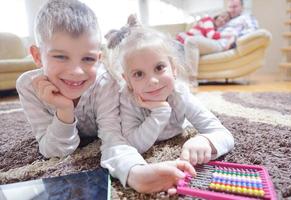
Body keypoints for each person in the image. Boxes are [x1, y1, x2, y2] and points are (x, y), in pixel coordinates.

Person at [16, 0, 196, 194]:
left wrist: (135, 172)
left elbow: (113, 138)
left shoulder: (104, 83)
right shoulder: (29, 86)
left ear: (99, 58)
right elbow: (53, 152)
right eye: (60, 57)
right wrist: (64, 111)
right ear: (37, 55)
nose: (76, 71)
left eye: (88, 59)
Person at [105, 15, 234, 170]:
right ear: (127, 81)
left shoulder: (179, 93)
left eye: (159, 68)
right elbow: (133, 145)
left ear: (173, 68)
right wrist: (160, 111)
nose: (152, 81)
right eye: (139, 74)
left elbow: (224, 134)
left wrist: (205, 141)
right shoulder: (128, 100)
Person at [184, 0, 258, 79]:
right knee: (181, 45)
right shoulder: (227, 18)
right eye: (230, 7)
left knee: (191, 41)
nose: (232, 9)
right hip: (212, 41)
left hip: (221, 44)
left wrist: (234, 37)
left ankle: (191, 80)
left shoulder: (246, 17)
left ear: (242, 8)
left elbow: (253, 30)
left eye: (235, 7)